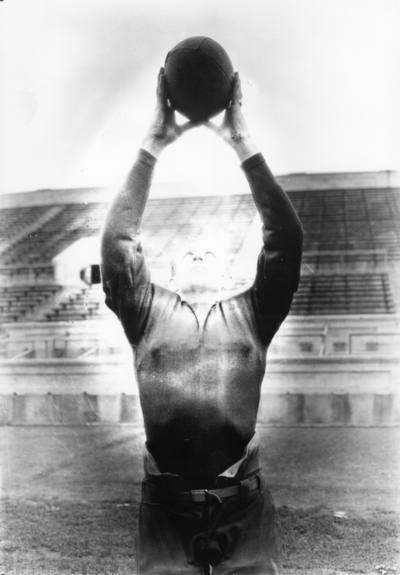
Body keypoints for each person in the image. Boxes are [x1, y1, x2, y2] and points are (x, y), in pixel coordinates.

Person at [101, 68, 303, 575]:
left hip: (245, 502)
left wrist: (243, 143)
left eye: (206, 250)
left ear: (229, 272)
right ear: (165, 273)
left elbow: (286, 239)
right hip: (165, 507)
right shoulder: (147, 312)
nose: (195, 252)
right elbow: (118, 242)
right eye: (185, 250)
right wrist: (153, 142)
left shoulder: (252, 314)